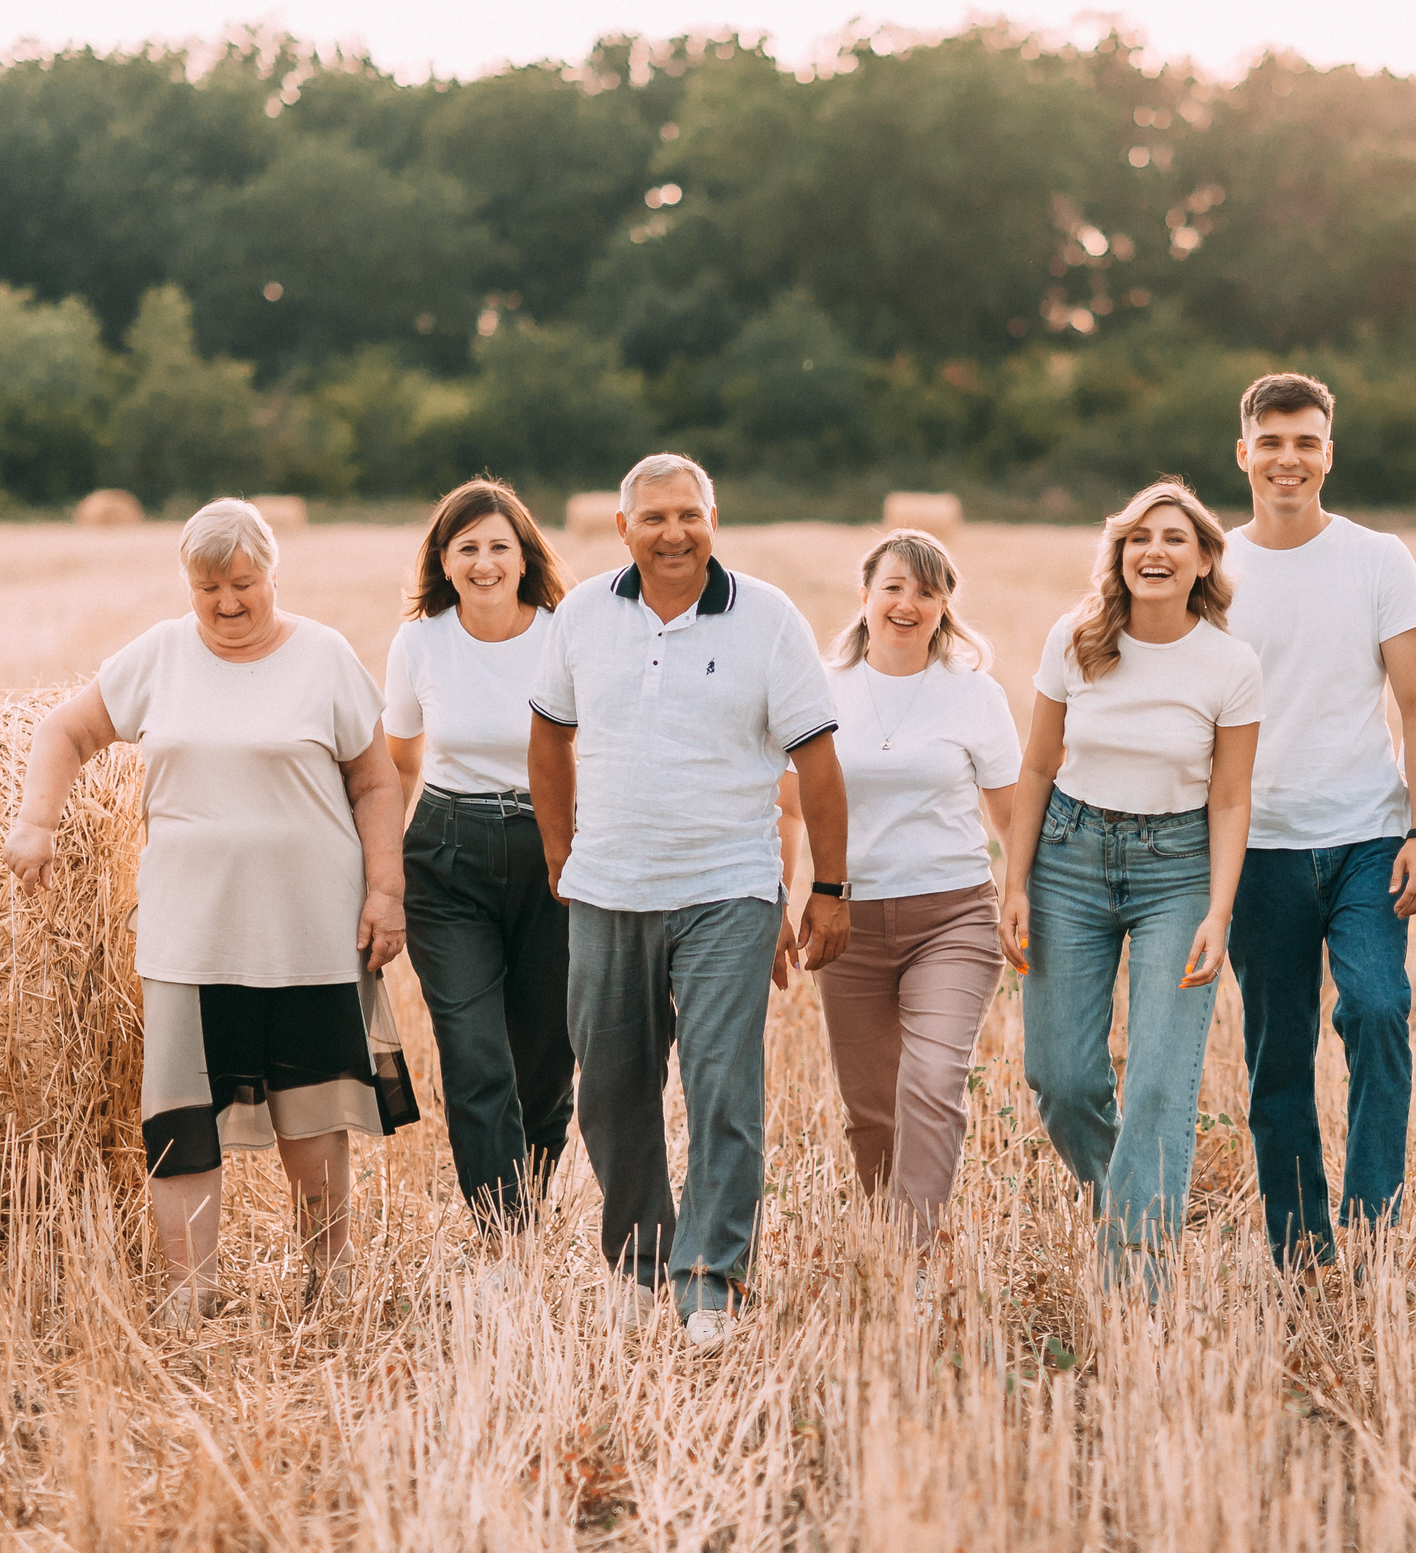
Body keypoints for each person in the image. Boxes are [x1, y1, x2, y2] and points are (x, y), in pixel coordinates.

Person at [3, 498, 412, 1328]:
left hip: (308, 929)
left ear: (272, 576)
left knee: (313, 1117)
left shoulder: (325, 657)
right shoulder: (159, 655)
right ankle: (191, 1289)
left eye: (242, 584)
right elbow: (65, 732)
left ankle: (328, 1277)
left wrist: (386, 891)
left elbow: (375, 782)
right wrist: (36, 823)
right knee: (182, 1117)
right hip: (190, 933)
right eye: (208, 588)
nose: (227, 602)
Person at [528, 453, 850, 1349]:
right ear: (623, 528)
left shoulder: (769, 618)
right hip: (609, 890)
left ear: (714, 519)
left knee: (721, 1089)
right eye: (655, 517)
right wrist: (558, 848)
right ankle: (640, 1261)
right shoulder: (583, 614)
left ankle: (711, 1278)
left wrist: (828, 887)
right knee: (610, 1092)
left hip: (728, 888)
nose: (674, 533)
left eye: (690, 515)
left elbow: (819, 764)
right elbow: (548, 736)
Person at [1000, 478, 1261, 1294]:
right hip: (1067, 860)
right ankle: (1130, 1199)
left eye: (1175, 538)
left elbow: (1231, 797)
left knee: (1157, 1082)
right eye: (1139, 538)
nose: (1155, 551)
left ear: (1204, 560)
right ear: (1119, 554)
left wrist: (1219, 908)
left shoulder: (1231, 665)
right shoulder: (1075, 639)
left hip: (1178, 870)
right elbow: (1036, 766)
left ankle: (1136, 1283)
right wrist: (1015, 881)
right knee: (1061, 1080)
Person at [1221, 373, 1416, 1268]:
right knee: (1278, 1055)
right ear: (1244, 453)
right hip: (1258, 847)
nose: (1290, 459)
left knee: (1380, 1007)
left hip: (1368, 837)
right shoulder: (1212, 568)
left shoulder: (1377, 559)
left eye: (1306, 442)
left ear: (1329, 453)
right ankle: (1300, 1245)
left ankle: (1372, 1219)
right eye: (1272, 442)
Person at [794, 530, 1020, 1244]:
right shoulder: (820, 690)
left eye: (926, 591)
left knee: (933, 1079)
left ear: (944, 606)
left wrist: (1022, 896)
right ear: (865, 597)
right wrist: (778, 895)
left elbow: (1012, 817)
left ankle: (913, 1249)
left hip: (954, 917)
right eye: (893, 587)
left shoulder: (974, 695)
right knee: (870, 1107)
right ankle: (883, 1238)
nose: (907, 603)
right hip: (847, 923)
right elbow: (788, 805)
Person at [385, 478, 577, 1233]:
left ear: (525, 557)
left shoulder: (565, 636)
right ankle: (504, 1231)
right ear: (444, 559)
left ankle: (531, 1187)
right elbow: (400, 765)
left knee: (547, 1056)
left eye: (500, 546)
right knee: (474, 1053)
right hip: (446, 856)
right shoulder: (419, 642)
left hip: (554, 852)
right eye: (467, 547)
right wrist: (380, 875)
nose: (485, 562)